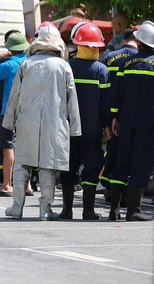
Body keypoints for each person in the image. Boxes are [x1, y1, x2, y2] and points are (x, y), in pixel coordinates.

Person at [3, 33, 81, 220]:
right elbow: (72, 100)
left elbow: (14, 95)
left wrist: (9, 121)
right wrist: (75, 128)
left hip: (26, 121)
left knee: (23, 163)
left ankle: (16, 207)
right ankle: (44, 210)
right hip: (55, 121)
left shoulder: (26, 64)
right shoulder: (64, 67)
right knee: (49, 165)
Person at [59, 23, 110, 220]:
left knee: (68, 167)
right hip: (92, 129)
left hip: (68, 128)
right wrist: (107, 124)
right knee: (92, 167)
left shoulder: (68, 67)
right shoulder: (101, 70)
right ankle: (88, 210)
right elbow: (105, 102)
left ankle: (67, 210)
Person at [108, 20, 154, 221]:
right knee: (141, 165)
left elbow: (115, 93)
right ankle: (134, 211)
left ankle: (114, 210)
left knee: (122, 162)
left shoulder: (125, 64)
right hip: (149, 124)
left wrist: (114, 117)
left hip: (125, 122)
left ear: (139, 42)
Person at [0, 31, 29, 197]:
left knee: (8, 147)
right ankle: (27, 185)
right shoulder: (30, 63)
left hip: (9, 111)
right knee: (24, 147)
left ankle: (7, 184)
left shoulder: (8, 65)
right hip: (28, 111)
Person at [99, 29, 138, 194]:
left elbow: (104, 86)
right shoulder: (142, 58)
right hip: (134, 112)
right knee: (133, 153)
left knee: (113, 151)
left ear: (124, 41)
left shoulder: (109, 57)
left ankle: (111, 189)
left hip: (111, 112)